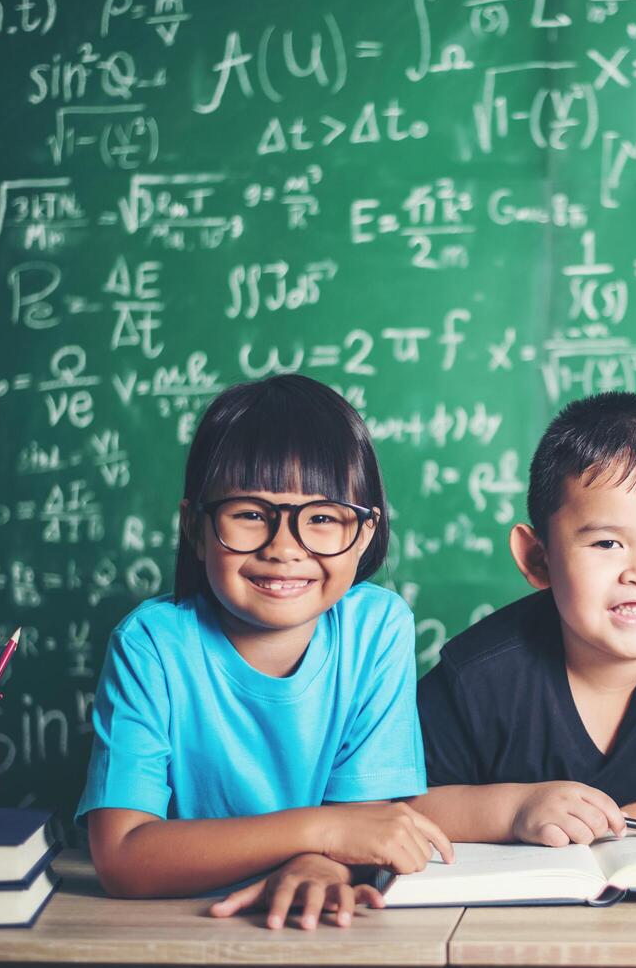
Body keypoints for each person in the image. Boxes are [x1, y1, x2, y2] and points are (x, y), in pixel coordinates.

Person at [78, 375, 452, 929]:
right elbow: (123, 856)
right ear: (195, 528)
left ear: (367, 533)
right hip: (181, 930)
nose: (284, 548)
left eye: (323, 517)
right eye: (251, 514)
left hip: (326, 921)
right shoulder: (151, 645)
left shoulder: (378, 629)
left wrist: (317, 865)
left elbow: (367, 822)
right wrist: (318, 835)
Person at [412, 392, 636, 846]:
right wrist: (515, 810)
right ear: (537, 558)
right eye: (607, 544)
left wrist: (600, 826)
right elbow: (403, 808)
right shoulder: (475, 673)